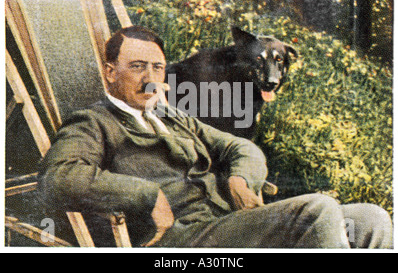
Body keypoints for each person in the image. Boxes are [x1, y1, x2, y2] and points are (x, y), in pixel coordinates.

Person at [38, 26, 393, 248]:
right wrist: (147, 194)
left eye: (158, 67)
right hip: (180, 239)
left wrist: (240, 178)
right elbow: (59, 177)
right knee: (317, 209)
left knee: (370, 218)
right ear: (110, 71)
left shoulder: (171, 116)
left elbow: (240, 146)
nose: (151, 77)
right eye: (137, 66)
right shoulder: (92, 121)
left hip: (225, 224)